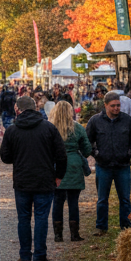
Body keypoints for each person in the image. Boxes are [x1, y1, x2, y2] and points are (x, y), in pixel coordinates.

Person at [0, 95, 67, 261]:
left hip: (22, 179)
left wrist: (19, 155)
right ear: (36, 108)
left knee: (23, 218)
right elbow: (61, 155)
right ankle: (39, 255)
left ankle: (24, 255)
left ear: (17, 109)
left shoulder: (12, 130)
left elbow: (5, 158)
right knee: (41, 218)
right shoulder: (49, 128)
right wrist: (59, 175)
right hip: (44, 179)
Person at [86, 91, 131, 237]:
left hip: (122, 166)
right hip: (103, 166)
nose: (116, 108)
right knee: (102, 199)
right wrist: (95, 153)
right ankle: (101, 226)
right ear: (105, 105)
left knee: (125, 198)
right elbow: (87, 141)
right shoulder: (95, 121)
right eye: (113, 106)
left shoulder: (126, 120)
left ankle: (126, 225)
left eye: (118, 105)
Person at [50, 100, 91, 243]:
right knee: (73, 202)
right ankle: (74, 234)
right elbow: (87, 150)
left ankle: (58, 235)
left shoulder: (50, 128)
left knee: (57, 201)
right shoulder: (78, 128)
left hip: (55, 166)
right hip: (73, 165)